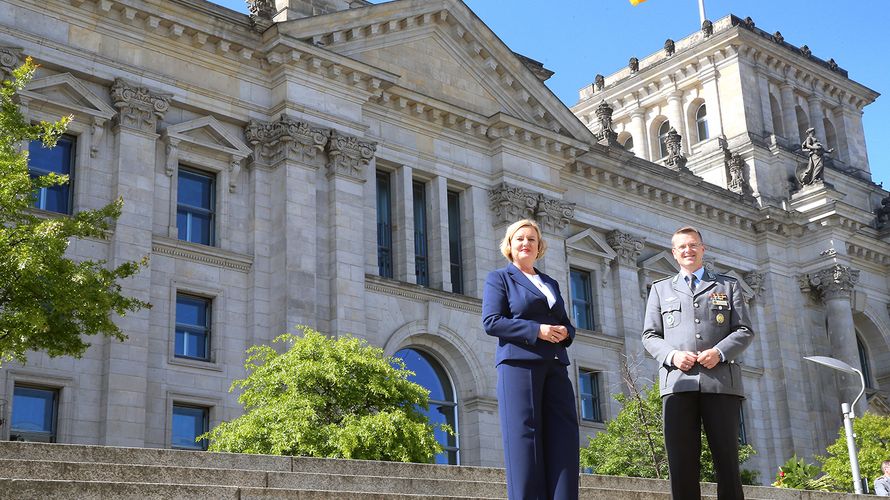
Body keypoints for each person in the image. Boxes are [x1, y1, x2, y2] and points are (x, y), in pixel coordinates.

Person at [642, 227, 754, 500]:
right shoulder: (660, 289)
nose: (687, 251)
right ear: (674, 253)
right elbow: (650, 335)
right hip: (678, 384)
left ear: (702, 249)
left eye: (693, 245)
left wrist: (719, 351)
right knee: (681, 463)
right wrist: (672, 356)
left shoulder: (727, 286)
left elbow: (744, 330)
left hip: (720, 383)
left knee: (726, 460)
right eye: (681, 247)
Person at [482, 219, 579, 500]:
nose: (526, 243)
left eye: (532, 240)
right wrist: (537, 330)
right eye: (520, 239)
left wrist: (565, 333)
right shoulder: (499, 278)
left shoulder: (550, 282)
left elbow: (565, 323)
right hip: (519, 363)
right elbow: (491, 322)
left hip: (556, 365)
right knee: (524, 440)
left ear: (539, 247)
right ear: (510, 247)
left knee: (564, 437)